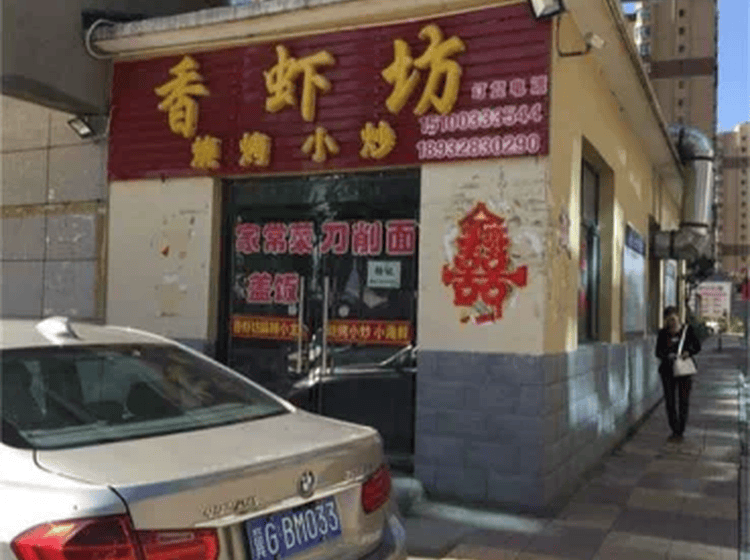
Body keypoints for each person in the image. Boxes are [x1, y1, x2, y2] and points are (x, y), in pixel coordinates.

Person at [655, 306, 701, 441]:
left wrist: (688, 352)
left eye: (673, 319)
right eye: (669, 320)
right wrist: (668, 355)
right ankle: (674, 429)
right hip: (668, 371)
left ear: (678, 318)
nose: (672, 322)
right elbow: (658, 352)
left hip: (684, 371)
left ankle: (680, 430)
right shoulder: (663, 333)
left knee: (683, 401)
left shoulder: (687, 331)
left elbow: (697, 346)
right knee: (670, 401)